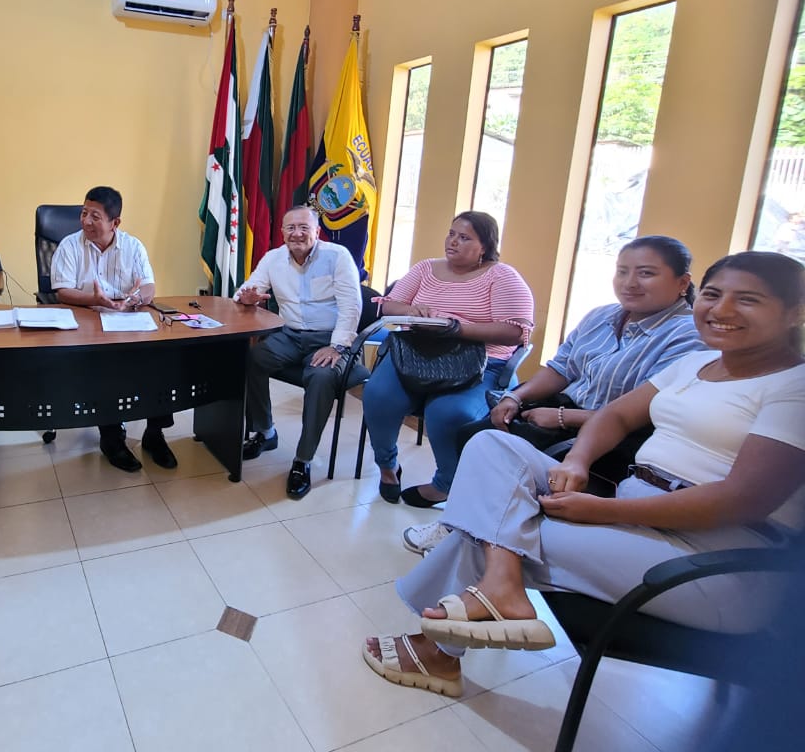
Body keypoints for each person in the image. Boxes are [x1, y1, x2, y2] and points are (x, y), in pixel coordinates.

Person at [362, 251, 805, 700]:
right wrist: (576, 462)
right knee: (492, 446)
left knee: (492, 530)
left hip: (715, 562)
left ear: (796, 312)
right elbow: (615, 415)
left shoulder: (795, 388)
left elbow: (742, 500)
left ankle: (442, 646)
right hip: (638, 517)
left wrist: (603, 511)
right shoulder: (696, 365)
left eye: (747, 300)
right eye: (713, 294)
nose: (722, 309)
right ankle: (497, 591)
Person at [405, 235, 707, 555]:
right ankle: (467, 523)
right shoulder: (602, 316)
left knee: (505, 453)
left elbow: (650, 411)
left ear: (682, 282)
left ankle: (479, 535)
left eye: (646, 273)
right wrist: (516, 397)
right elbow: (561, 369)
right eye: (622, 271)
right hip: (563, 408)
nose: (630, 282)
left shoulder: (688, 335)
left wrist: (562, 417)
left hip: (615, 434)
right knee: (474, 433)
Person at [362, 211, 534, 506]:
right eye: (451, 234)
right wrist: (411, 311)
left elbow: (516, 331)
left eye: (464, 238)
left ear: (485, 246)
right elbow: (389, 306)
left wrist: (457, 329)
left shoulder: (503, 276)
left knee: (447, 412)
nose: (453, 242)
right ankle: (387, 467)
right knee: (378, 395)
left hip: (480, 363)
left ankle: (444, 484)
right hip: (416, 356)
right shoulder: (425, 268)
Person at [236, 205, 367, 498]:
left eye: (304, 227)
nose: (297, 234)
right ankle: (265, 432)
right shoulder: (273, 258)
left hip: (331, 339)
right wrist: (247, 298)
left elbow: (351, 306)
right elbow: (246, 292)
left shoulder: (337, 256)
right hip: (289, 335)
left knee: (321, 377)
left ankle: (303, 459)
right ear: (282, 232)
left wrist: (337, 346)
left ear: (317, 232)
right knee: (251, 359)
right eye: (291, 228)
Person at [49, 185, 176, 471]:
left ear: (115, 222)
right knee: (106, 365)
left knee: (163, 359)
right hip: (88, 323)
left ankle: (155, 434)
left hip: (128, 321)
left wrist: (136, 298)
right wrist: (94, 300)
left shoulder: (133, 247)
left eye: (95, 216)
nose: (86, 221)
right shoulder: (69, 246)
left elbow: (149, 287)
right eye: (84, 213)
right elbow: (62, 292)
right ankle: (111, 437)